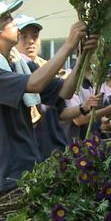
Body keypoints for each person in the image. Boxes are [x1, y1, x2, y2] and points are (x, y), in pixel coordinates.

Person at [0, 0, 98, 201]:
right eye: (7, 19)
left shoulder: (21, 64)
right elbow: (34, 84)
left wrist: (82, 56)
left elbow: (65, 91)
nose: (14, 23)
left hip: (31, 165)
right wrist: (69, 44)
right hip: (7, 173)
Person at [14, 14, 100, 158]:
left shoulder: (44, 68)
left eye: (35, 36)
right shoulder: (16, 68)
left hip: (57, 147)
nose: (30, 41)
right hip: (36, 150)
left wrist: (83, 108)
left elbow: (60, 109)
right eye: (23, 36)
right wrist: (69, 44)